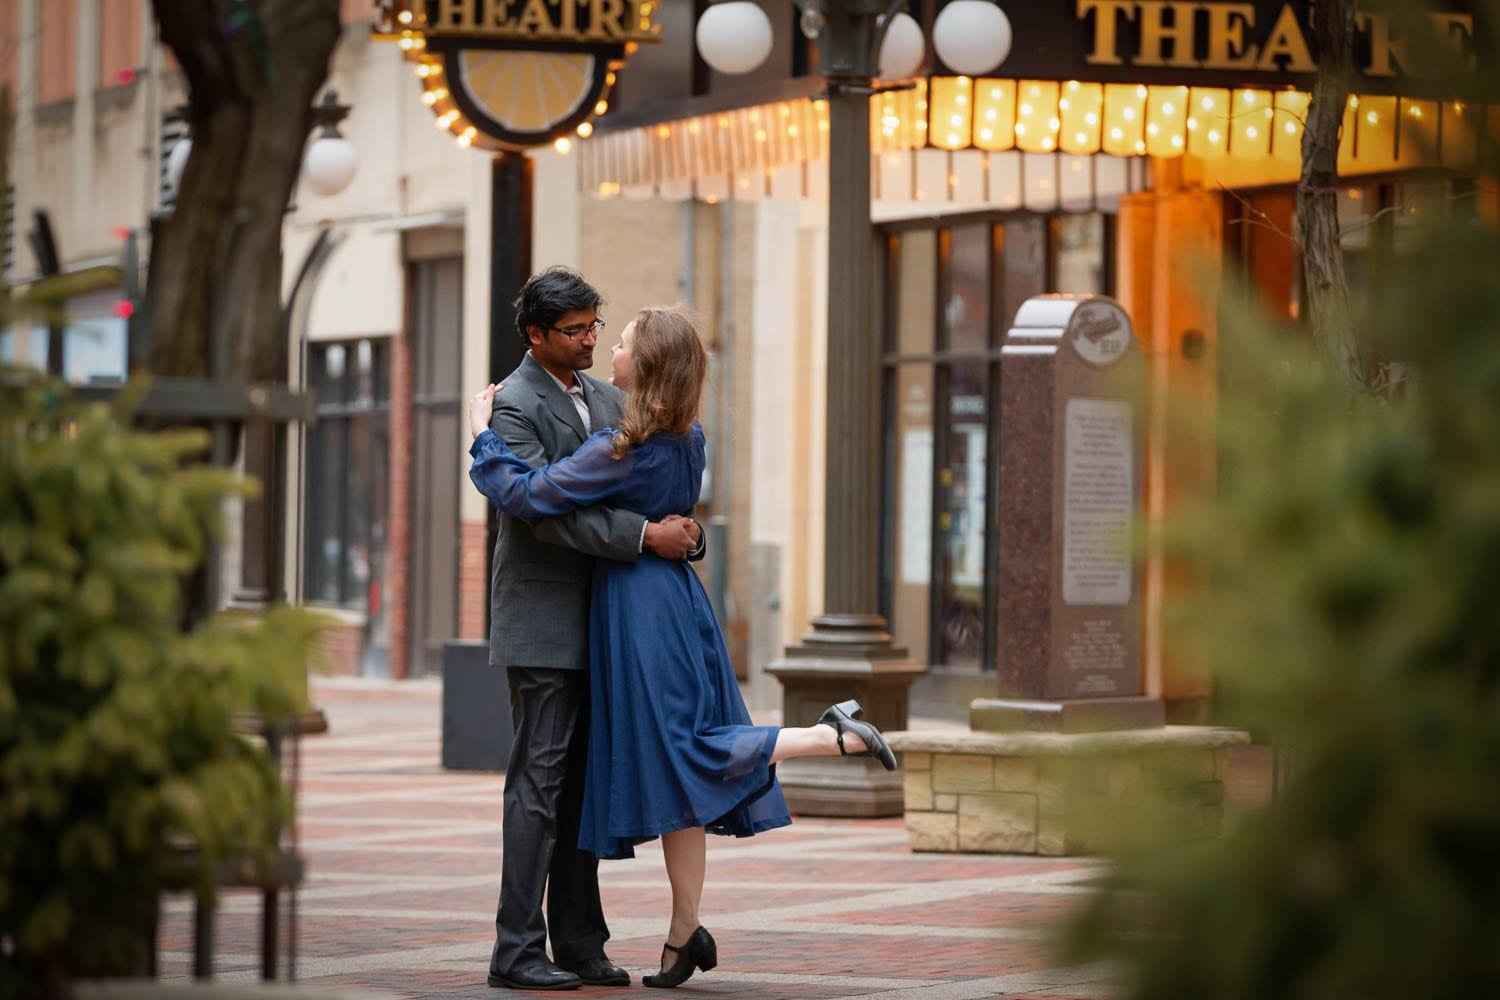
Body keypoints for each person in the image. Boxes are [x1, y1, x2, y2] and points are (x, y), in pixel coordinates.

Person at [467, 306, 896, 990]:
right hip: (680, 603)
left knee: (685, 749)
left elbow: (531, 493)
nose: (608, 349)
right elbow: (684, 520)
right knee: (681, 773)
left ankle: (827, 736)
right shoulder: (689, 437)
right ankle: (682, 932)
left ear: (647, 366)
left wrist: (483, 436)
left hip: (638, 613)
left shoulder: (620, 443)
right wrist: (680, 535)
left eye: (622, 341)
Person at [484, 269, 705, 993]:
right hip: (546, 619)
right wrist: (646, 536)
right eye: (574, 330)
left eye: (594, 328)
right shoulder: (511, 404)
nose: (589, 340)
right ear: (535, 335)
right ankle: (517, 949)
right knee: (539, 787)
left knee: (582, 790)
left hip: (612, 621)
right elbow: (541, 512)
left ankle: (580, 942)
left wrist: (684, 533)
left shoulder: (613, 398)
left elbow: (649, 479)